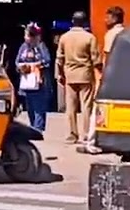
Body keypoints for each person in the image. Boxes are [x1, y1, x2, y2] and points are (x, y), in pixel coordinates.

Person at [55, 11, 100, 149]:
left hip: (69, 75)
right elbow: (96, 59)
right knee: (86, 105)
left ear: (72, 22)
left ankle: (72, 134)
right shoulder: (90, 38)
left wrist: (59, 74)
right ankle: (85, 134)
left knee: (71, 106)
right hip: (85, 75)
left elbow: (59, 58)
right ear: (85, 22)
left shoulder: (64, 37)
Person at [16, 23, 51, 131]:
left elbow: (47, 61)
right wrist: (21, 67)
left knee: (38, 107)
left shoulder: (41, 46)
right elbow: (17, 61)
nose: (25, 37)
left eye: (27, 35)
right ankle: (33, 126)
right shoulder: (23, 47)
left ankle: (38, 128)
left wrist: (35, 65)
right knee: (30, 107)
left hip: (38, 81)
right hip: (26, 81)